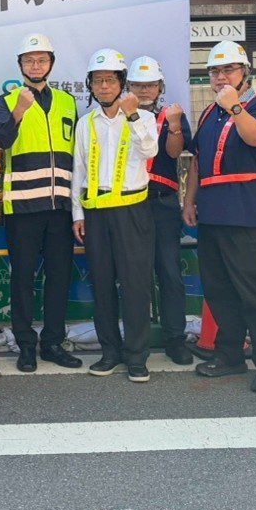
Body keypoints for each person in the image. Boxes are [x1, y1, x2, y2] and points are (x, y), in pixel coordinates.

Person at [181, 41, 256, 393]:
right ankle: (229, 354)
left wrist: (235, 107)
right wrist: (189, 200)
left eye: (229, 69)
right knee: (219, 290)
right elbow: (198, 161)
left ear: (245, 73)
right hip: (213, 213)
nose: (221, 76)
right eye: (215, 71)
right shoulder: (209, 114)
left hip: (250, 214)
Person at [0, 32, 82, 372]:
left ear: (51, 64)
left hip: (60, 207)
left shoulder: (67, 101)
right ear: (20, 65)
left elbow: (76, 153)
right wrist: (18, 111)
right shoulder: (8, 99)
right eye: (29, 60)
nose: (35, 65)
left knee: (59, 277)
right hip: (23, 207)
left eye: (42, 60)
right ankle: (26, 345)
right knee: (23, 279)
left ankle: (53, 343)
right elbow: (2, 141)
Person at [71, 49, 159, 382]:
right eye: (98, 81)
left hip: (132, 211)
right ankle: (109, 351)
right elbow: (78, 169)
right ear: (90, 85)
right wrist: (77, 214)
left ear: (122, 83)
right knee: (102, 283)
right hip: (96, 214)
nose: (104, 86)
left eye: (110, 80)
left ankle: (137, 357)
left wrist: (132, 116)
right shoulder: (86, 123)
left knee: (136, 285)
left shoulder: (144, 117)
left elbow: (150, 150)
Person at [127, 55, 193, 365]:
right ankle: (136, 342)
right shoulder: (118, 116)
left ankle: (175, 338)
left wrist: (175, 126)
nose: (144, 90)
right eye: (138, 85)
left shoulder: (172, 115)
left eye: (150, 85)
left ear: (160, 87)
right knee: (134, 274)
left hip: (163, 201)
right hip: (130, 202)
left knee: (169, 271)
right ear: (129, 86)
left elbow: (175, 153)